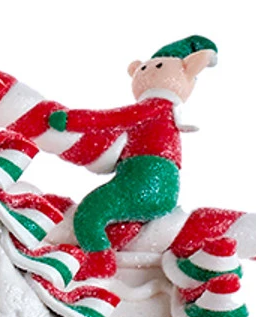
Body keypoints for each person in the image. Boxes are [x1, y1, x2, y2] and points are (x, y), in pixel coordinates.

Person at [44, 35, 218, 255]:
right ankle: (115, 258)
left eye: (158, 67)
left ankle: (99, 261)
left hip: (146, 182)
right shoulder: (165, 114)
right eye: (142, 69)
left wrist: (71, 120)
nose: (146, 73)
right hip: (159, 186)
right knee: (118, 225)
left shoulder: (155, 107)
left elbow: (111, 118)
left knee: (90, 213)